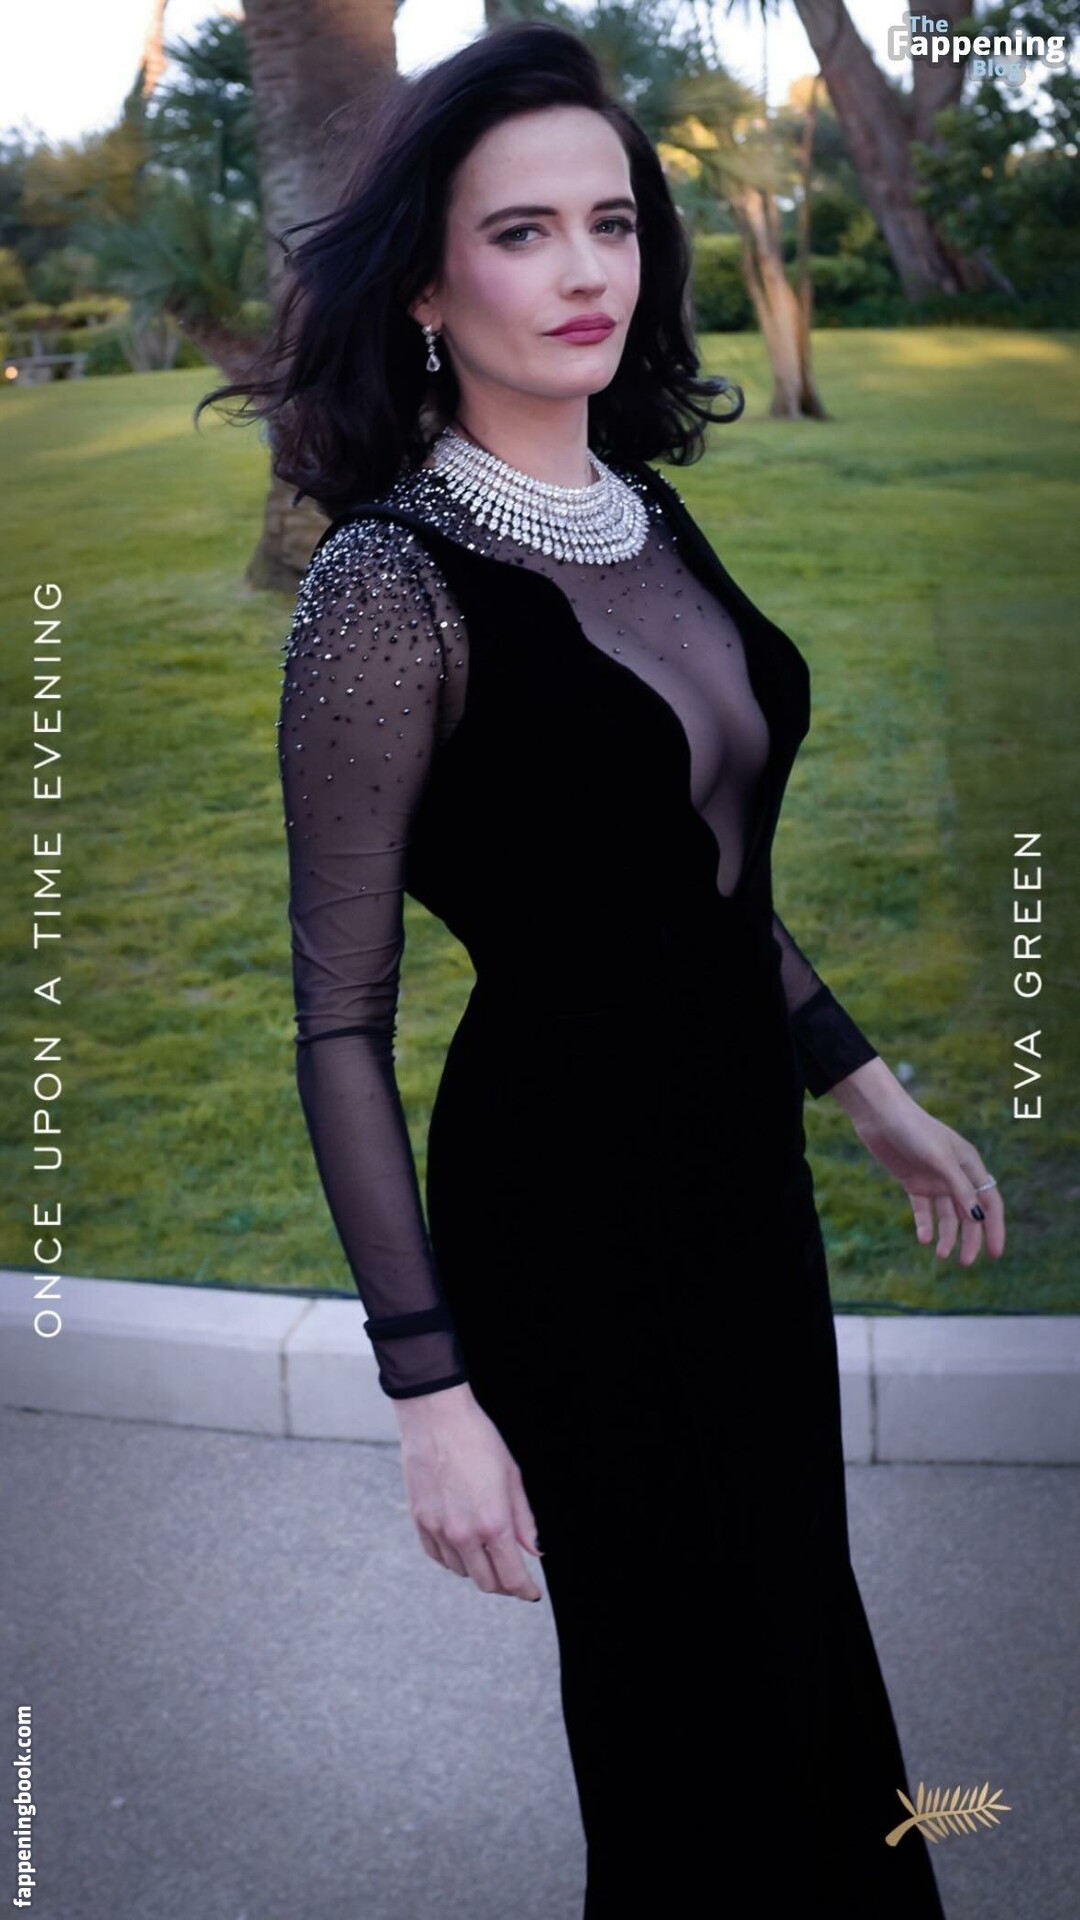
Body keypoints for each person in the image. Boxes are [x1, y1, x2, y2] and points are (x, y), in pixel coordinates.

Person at [198, 22, 1005, 1913]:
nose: (586, 271)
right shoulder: (384, 592)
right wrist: (431, 1395)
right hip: (567, 1220)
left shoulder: (649, 513)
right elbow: (338, 1020)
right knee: (683, 1732)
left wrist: (868, 1091)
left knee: (805, 1662)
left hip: (743, 1193)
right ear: (424, 286)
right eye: (522, 232)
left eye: (613, 223)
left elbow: (700, 883)